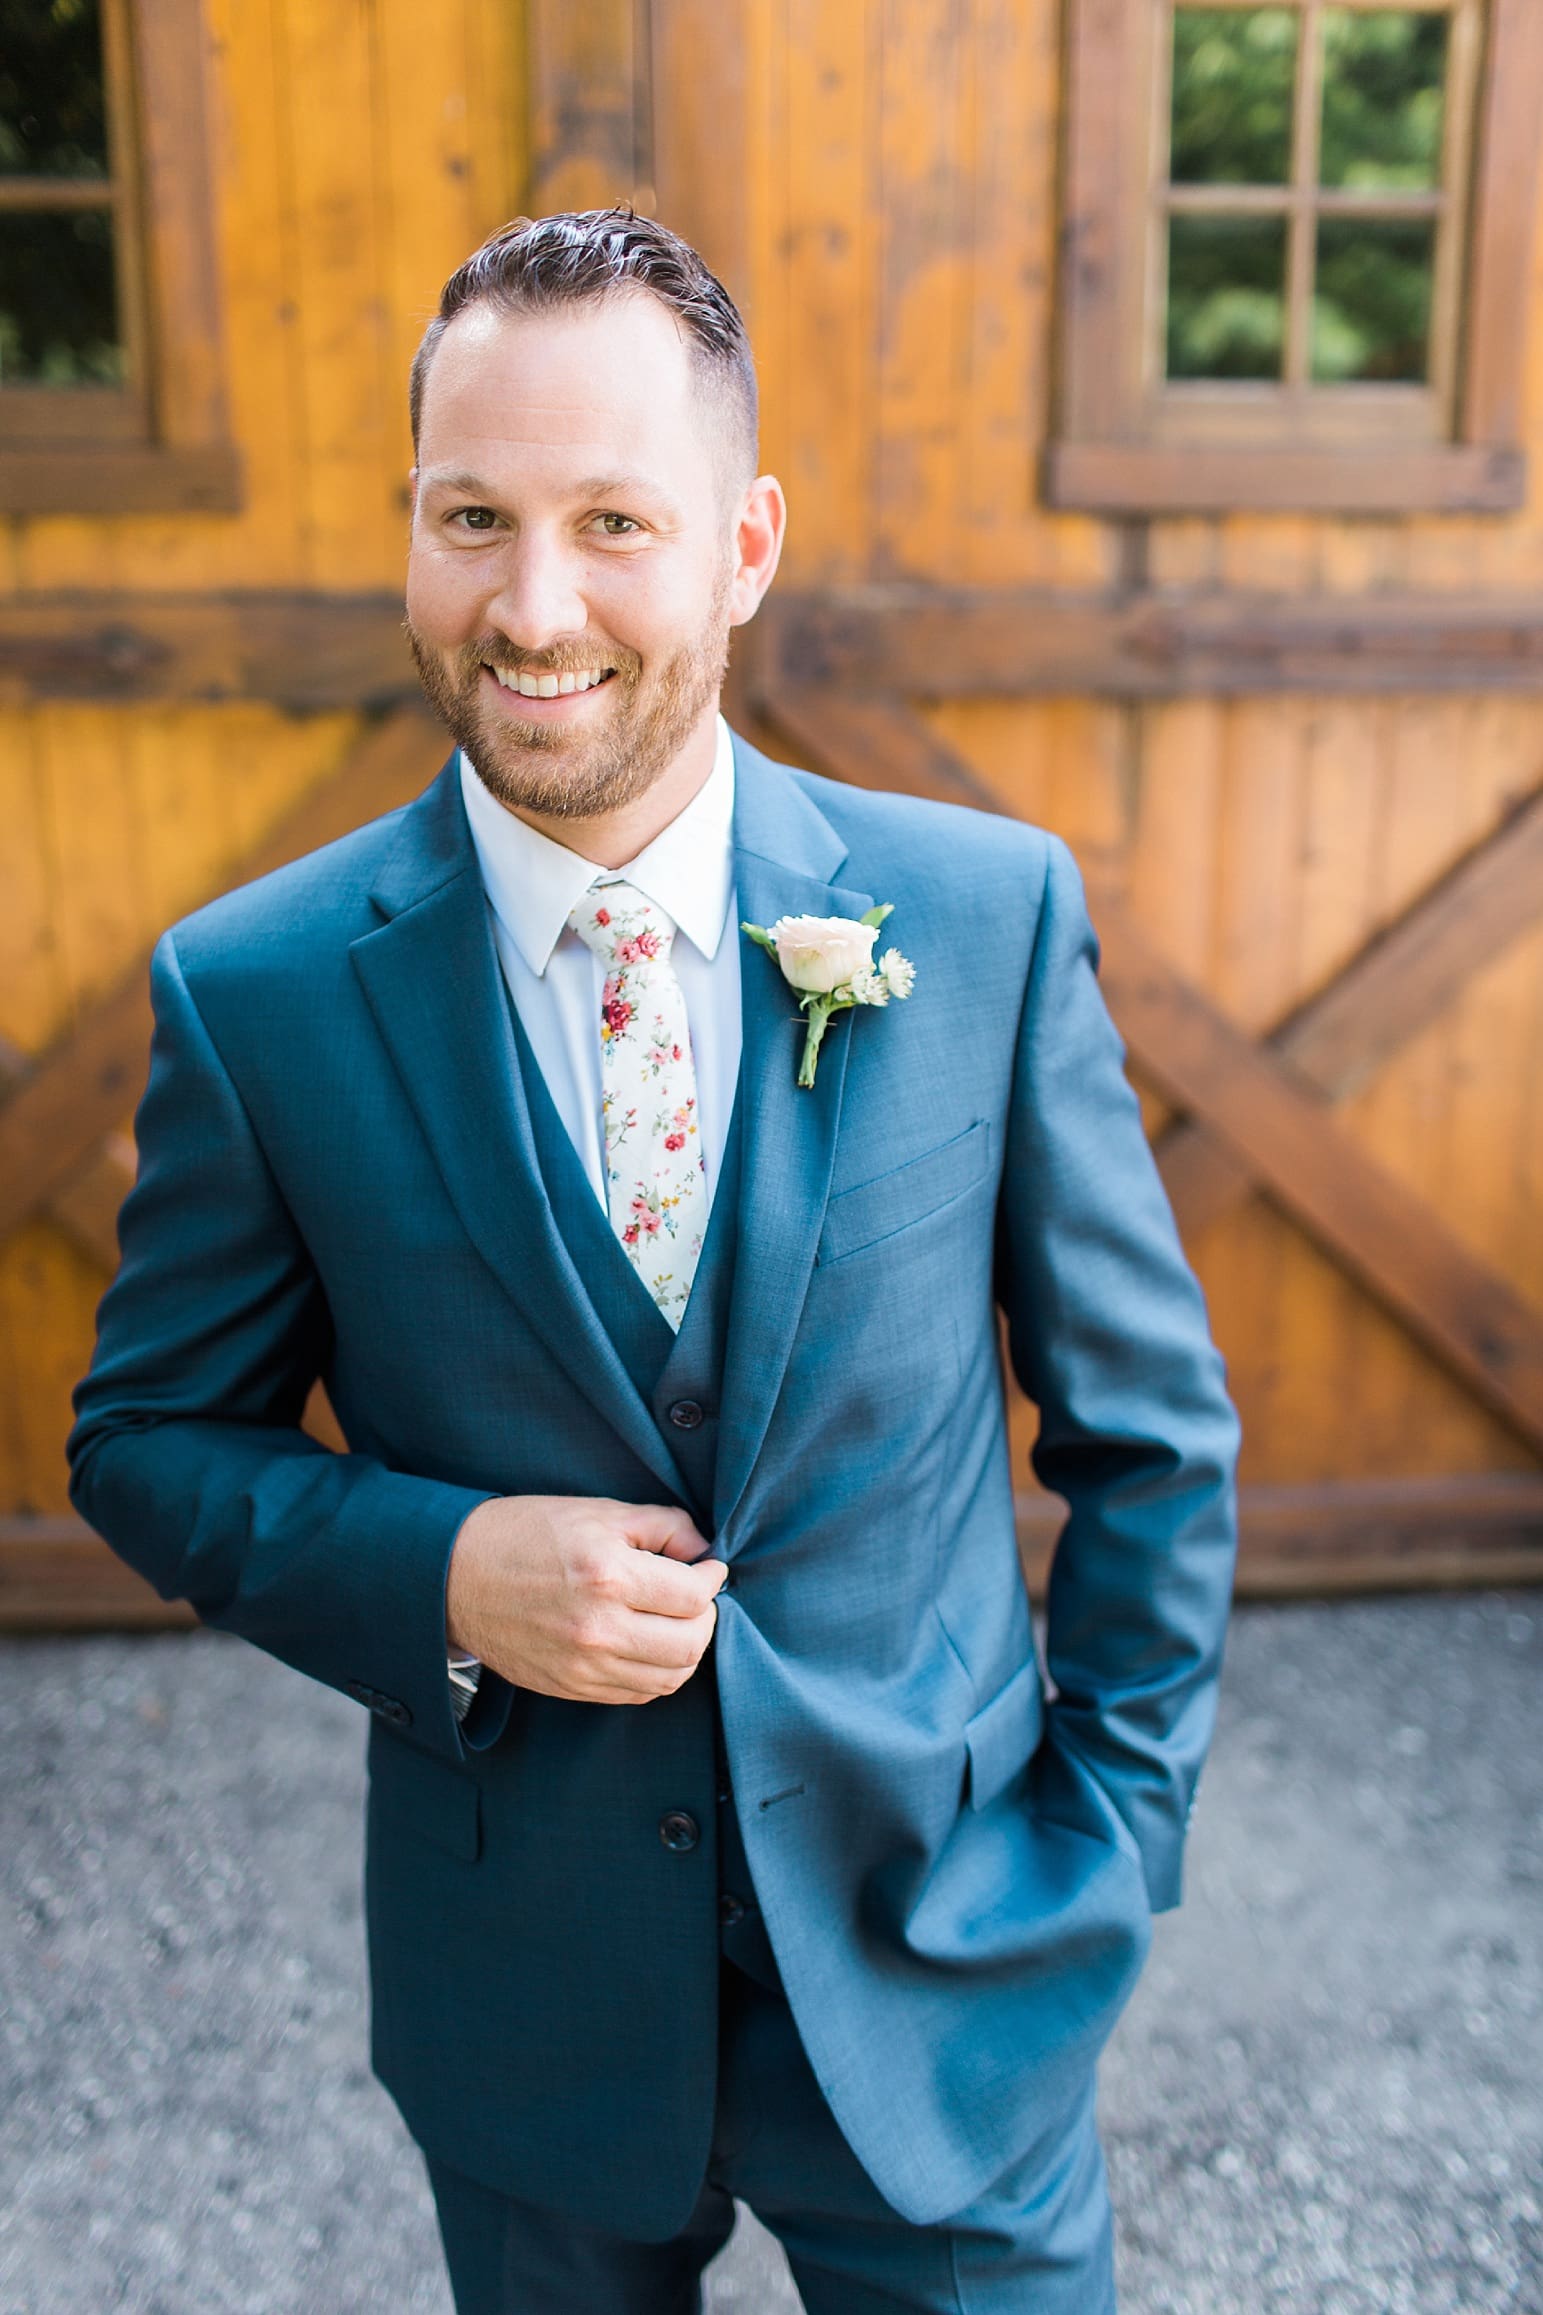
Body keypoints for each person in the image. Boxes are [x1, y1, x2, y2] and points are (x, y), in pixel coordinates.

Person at [69, 209, 1240, 2315]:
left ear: (744, 543)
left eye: (616, 521)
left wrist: (1109, 1843)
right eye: (472, 518)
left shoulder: (973, 920)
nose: (534, 608)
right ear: (408, 530)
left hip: (945, 1958)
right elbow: (149, 1438)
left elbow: (1151, 1428)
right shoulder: (253, 995)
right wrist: (440, 1572)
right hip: (522, 1995)